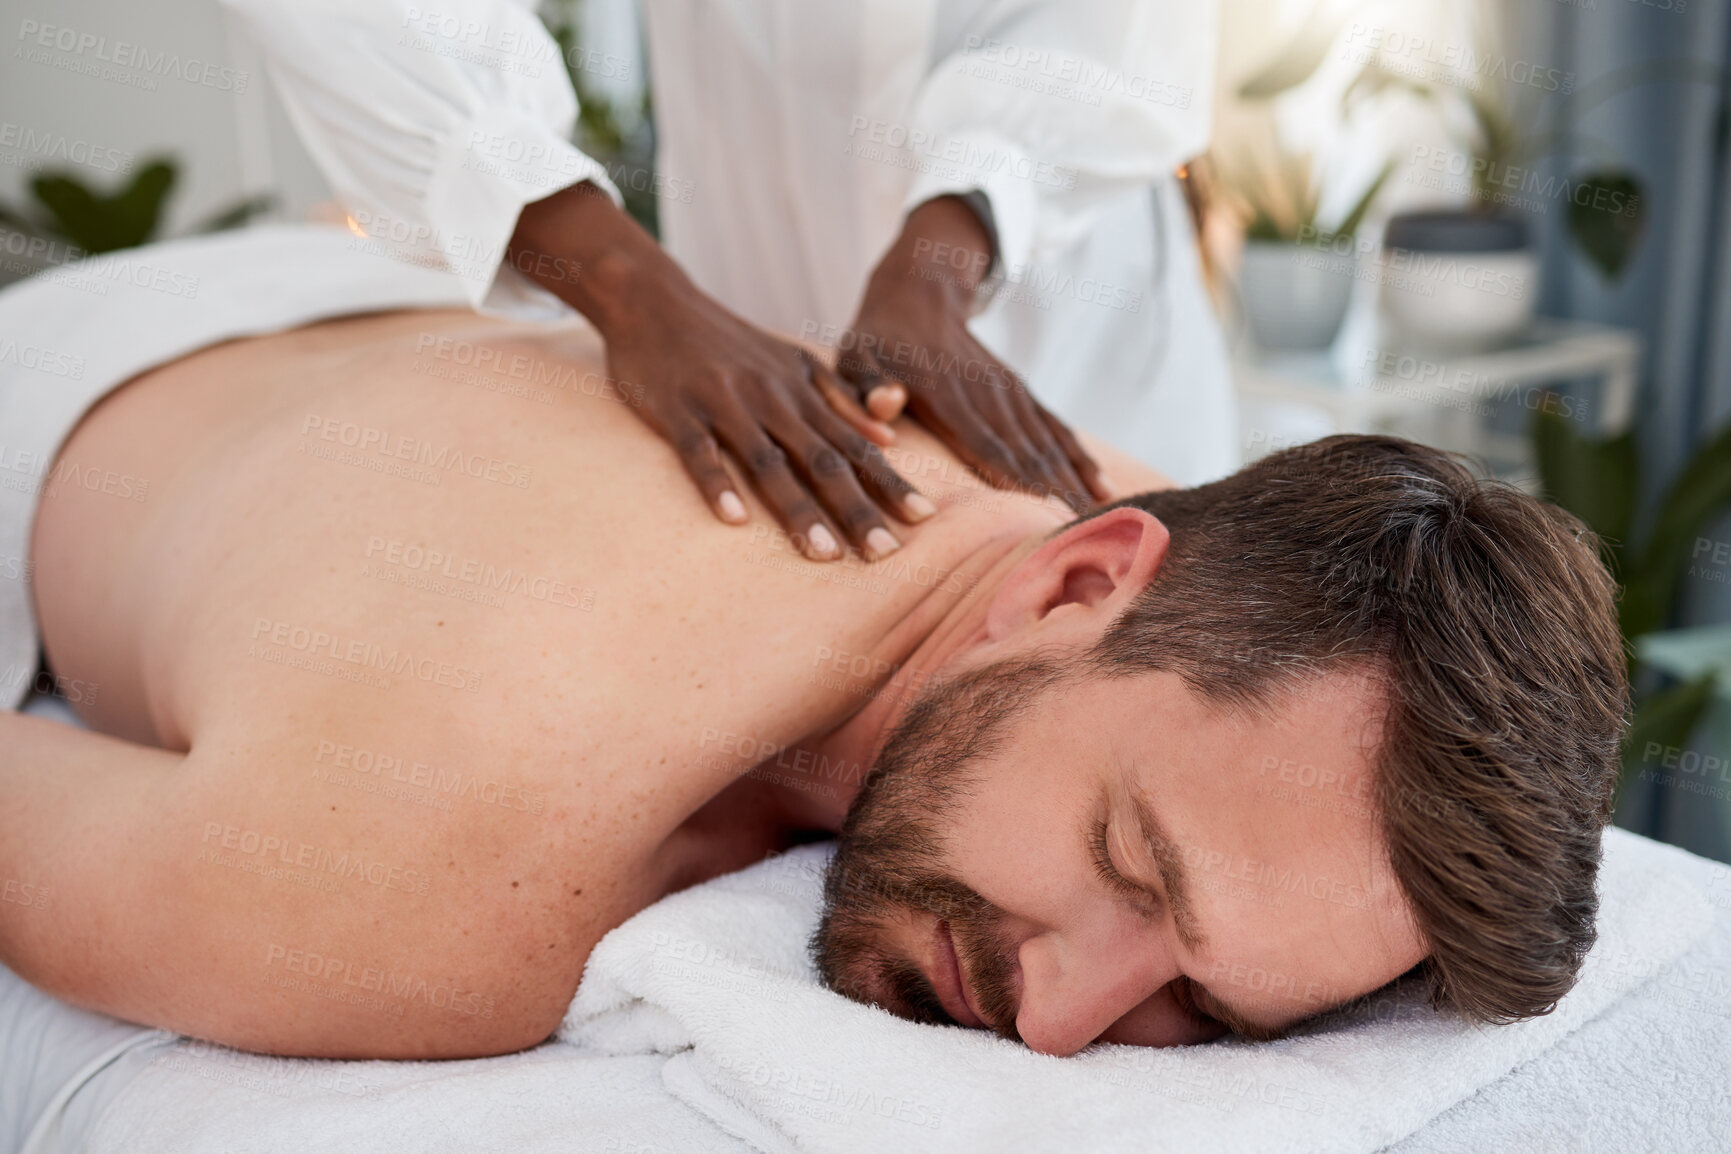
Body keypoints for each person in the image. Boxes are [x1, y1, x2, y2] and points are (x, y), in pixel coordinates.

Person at [0, 220, 1625, 1068]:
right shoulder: (428, 885)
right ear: (1070, 585)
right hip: (60, 400)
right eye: (1129, 865)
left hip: (396, 304)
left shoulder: (1156, 540)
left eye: (1201, 1006)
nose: (1062, 1019)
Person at [215, 0, 1234, 562]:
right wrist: (626, 286)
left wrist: (940, 258)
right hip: (738, 317)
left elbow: (1121, 34)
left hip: (1081, 300)